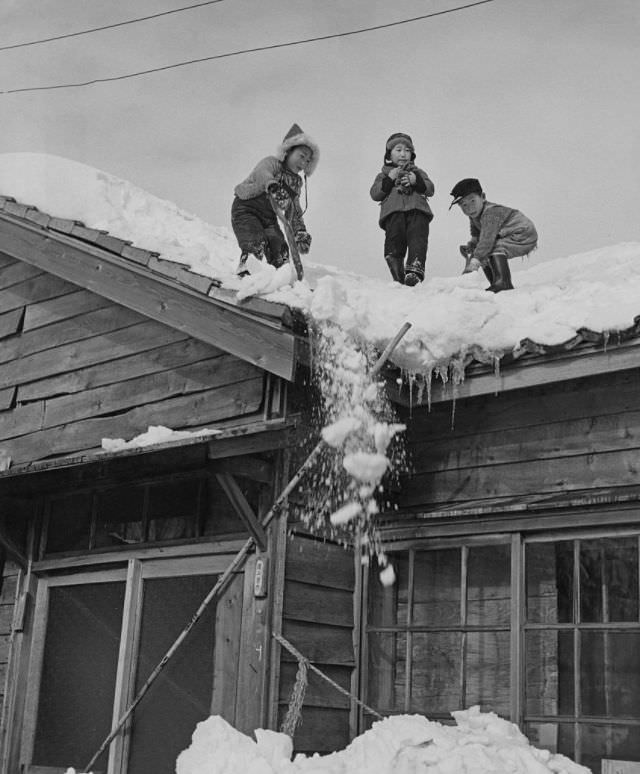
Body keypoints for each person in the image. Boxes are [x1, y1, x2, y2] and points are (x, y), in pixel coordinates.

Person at [231, 123, 319, 275]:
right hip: (247, 208)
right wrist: (272, 186)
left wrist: (300, 232)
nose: (303, 162)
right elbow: (262, 173)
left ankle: (280, 277)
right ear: (288, 152)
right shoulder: (272, 163)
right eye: (301, 156)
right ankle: (246, 271)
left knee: (279, 247)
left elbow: (294, 209)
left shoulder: (296, 183)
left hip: (269, 218)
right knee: (255, 239)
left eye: (308, 161)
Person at [449, 178, 538, 292]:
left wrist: (474, 264)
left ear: (483, 197)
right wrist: (471, 245)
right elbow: (477, 235)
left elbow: (486, 240)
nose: (469, 208)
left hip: (523, 233)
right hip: (508, 234)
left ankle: (503, 282)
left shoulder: (490, 213)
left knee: (491, 247)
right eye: (464, 205)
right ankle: (495, 282)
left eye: (472, 201)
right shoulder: (474, 216)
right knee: (481, 251)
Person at [370, 132, 435, 286]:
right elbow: (375, 193)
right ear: (389, 154)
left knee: (418, 240)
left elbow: (430, 189)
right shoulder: (383, 174)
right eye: (398, 150)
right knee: (394, 242)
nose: (403, 154)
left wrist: (415, 180)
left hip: (417, 210)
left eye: (407, 150)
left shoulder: (418, 172)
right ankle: (397, 273)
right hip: (393, 213)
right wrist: (389, 179)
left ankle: (414, 272)